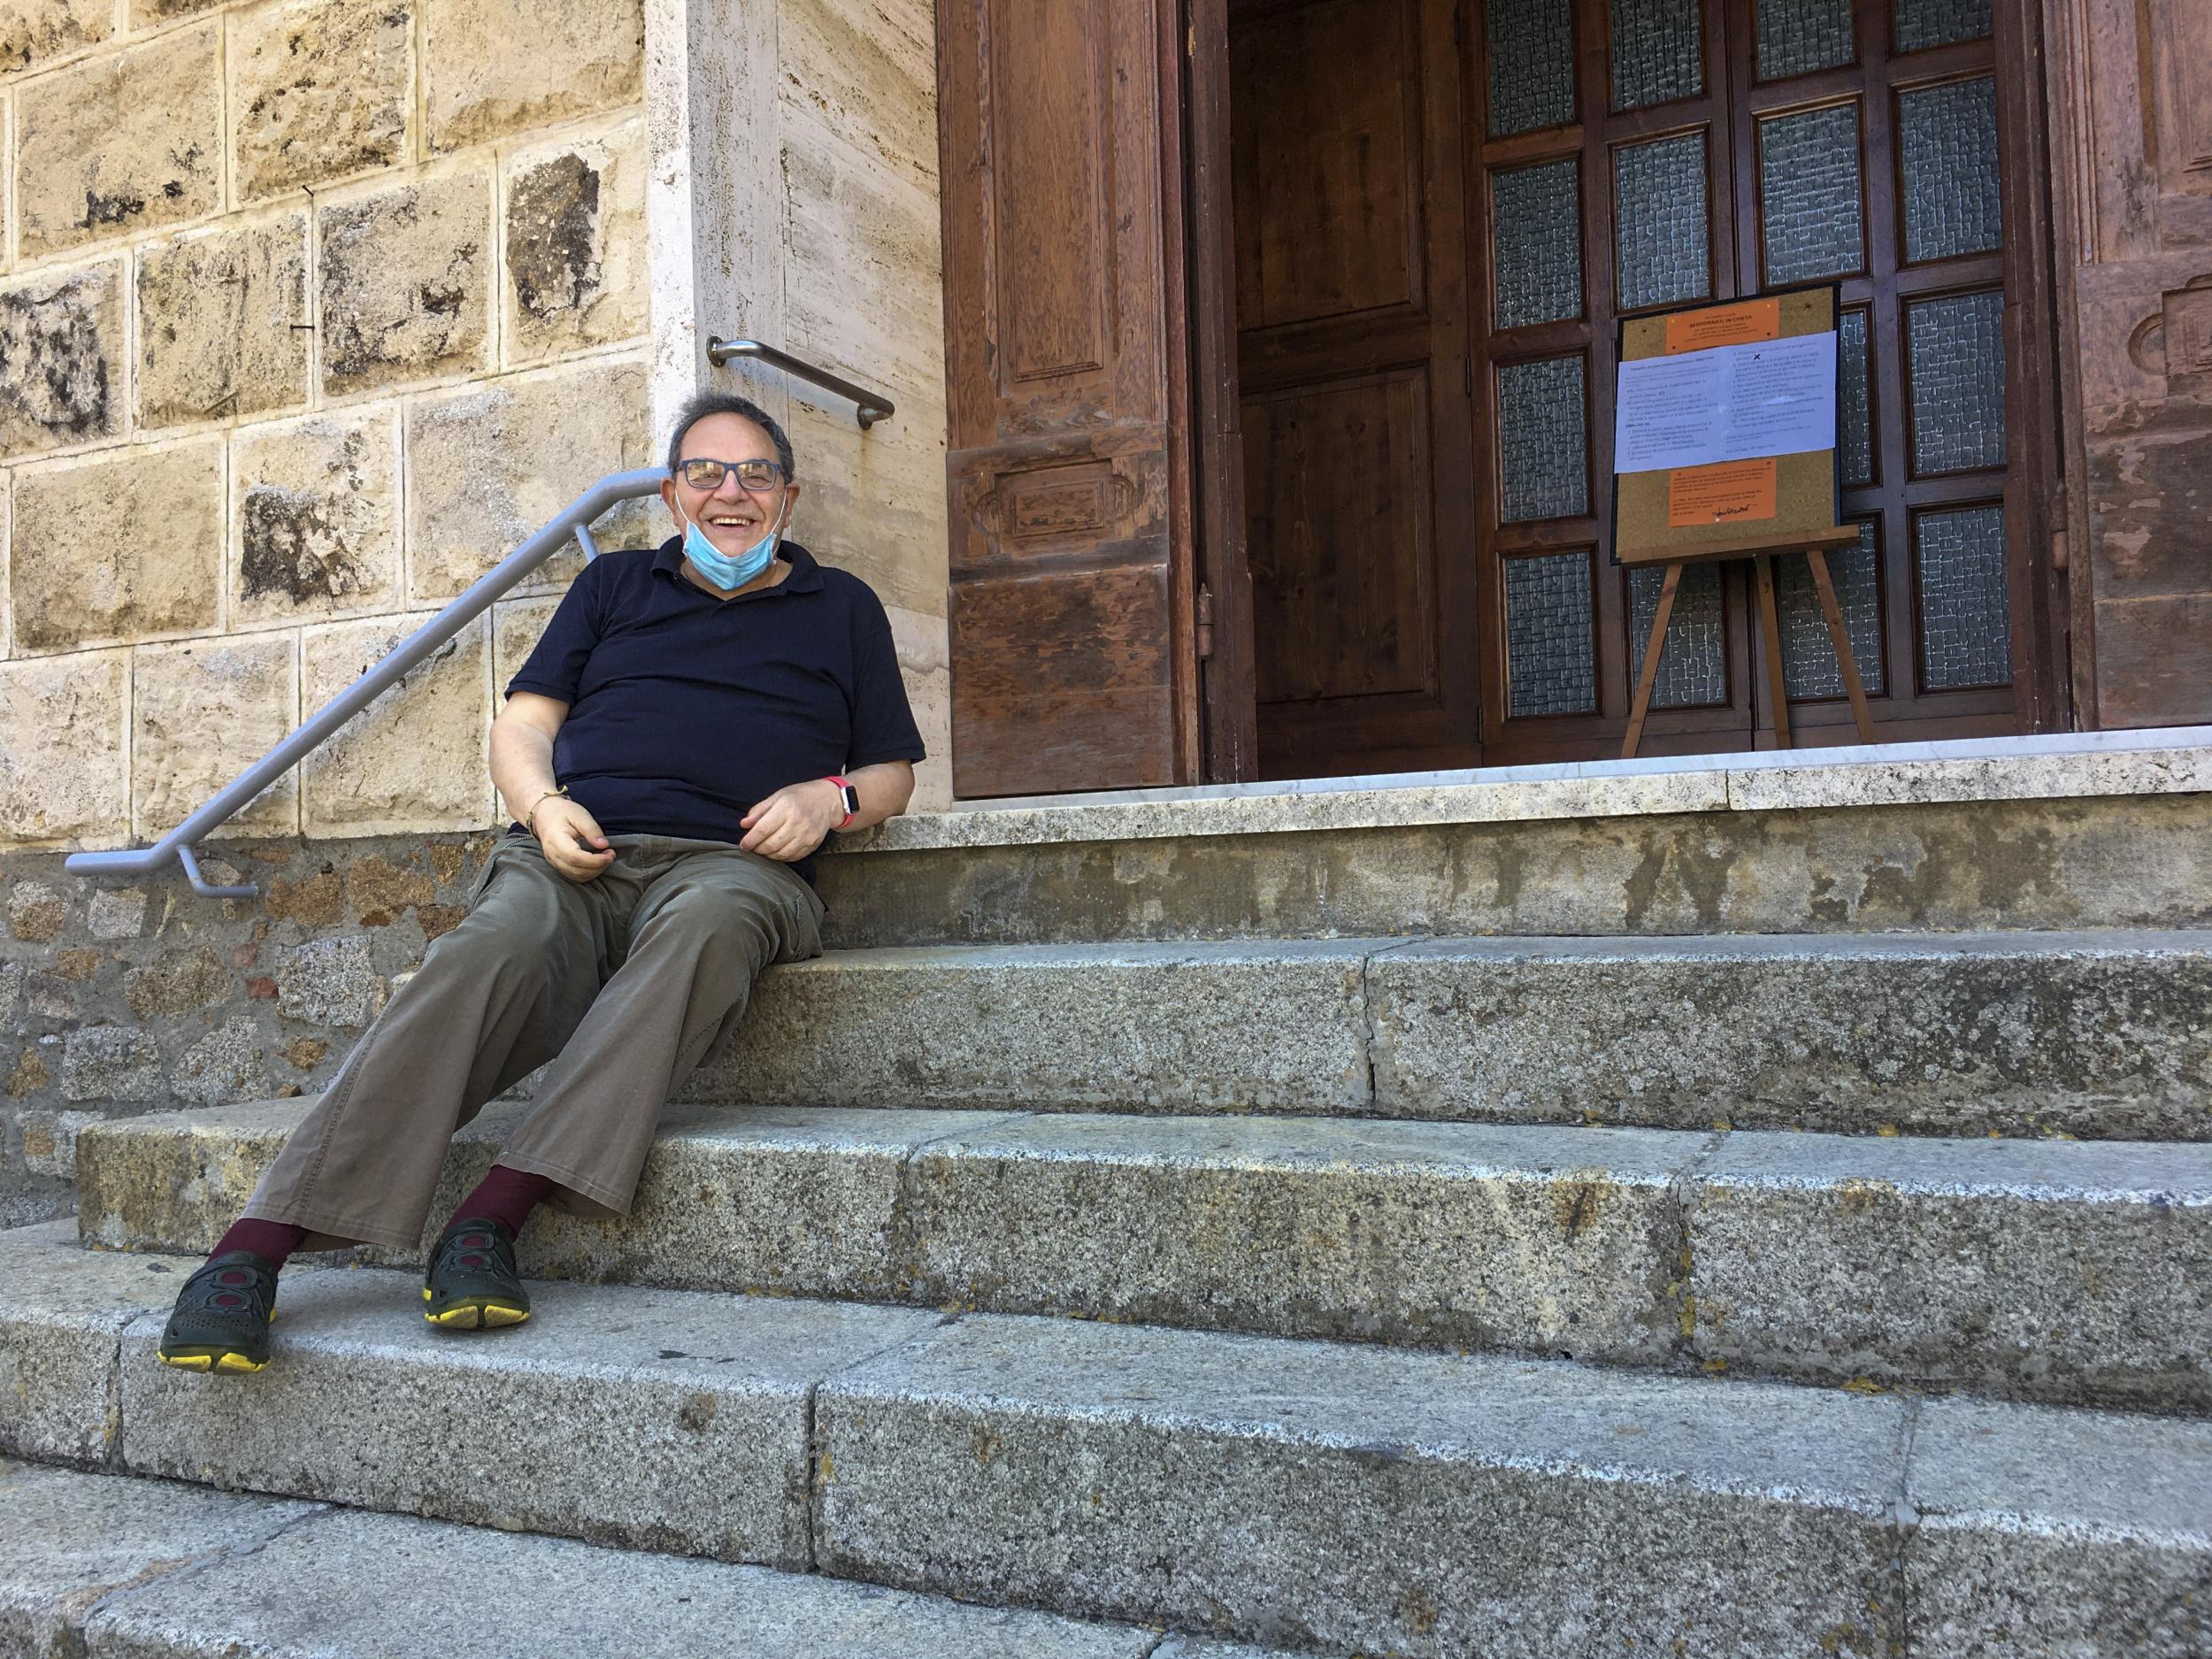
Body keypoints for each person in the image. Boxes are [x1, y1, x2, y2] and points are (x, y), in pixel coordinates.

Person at [155, 392, 925, 1371]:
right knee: (490, 948)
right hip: (578, 850)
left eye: (755, 474)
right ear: (671, 493)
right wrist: (541, 808)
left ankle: (489, 1219)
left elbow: (892, 771)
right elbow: (521, 726)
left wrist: (830, 803)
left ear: (789, 495)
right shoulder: (611, 587)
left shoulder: (841, 605)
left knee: (706, 927)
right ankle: (251, 1250)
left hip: (739, 866)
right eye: (706, 472)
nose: (731, 492)